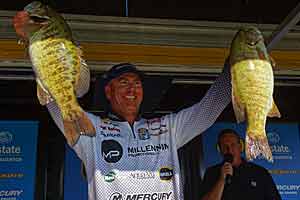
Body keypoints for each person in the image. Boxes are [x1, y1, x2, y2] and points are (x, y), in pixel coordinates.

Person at [47, 62, 231, 200]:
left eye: (137, 83)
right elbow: (55, 103)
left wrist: (235, 67)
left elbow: (210, 108)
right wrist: (37, 47)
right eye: (123, 82)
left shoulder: (168, 127)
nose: (131, 89)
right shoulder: (93, 131)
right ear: (109, 91)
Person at [199, 128, 282, 200]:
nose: (229, 150)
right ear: (220, 149)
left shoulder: (259, 173)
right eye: (225, 146)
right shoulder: (211, 173)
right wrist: (221, 179)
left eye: (233, 145)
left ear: (240, 146)